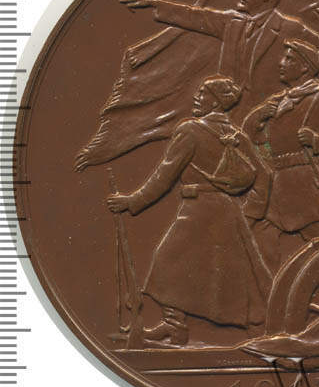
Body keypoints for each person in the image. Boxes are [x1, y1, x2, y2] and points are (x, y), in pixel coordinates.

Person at [107, 75, 272, 347]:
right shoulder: (237, 135)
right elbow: (264, 177)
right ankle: (186, 326)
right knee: (233, 269)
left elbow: (165, 175)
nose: (196, 97)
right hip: (229, 212)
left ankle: (177, 326)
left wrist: (132, 201)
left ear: (215, 102)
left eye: (203, 93)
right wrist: (251, 215)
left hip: (197, 211)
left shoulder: (191, 130)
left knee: (167, 260)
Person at [120, 0, 319, 119]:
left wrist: (303, 70)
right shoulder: (232, 23)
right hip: (229, 110)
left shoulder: (289, 27)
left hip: (270, 113)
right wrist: (156, 6)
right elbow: (195, 16)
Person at [243, 39, 319, 272]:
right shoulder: (278, 101)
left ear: (305, 67)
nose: (281, 63)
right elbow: (253, 142)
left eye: (289, 59)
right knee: (258, 243)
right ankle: (271, 291)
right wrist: (257, 119)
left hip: (312, 190)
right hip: (277, 190)